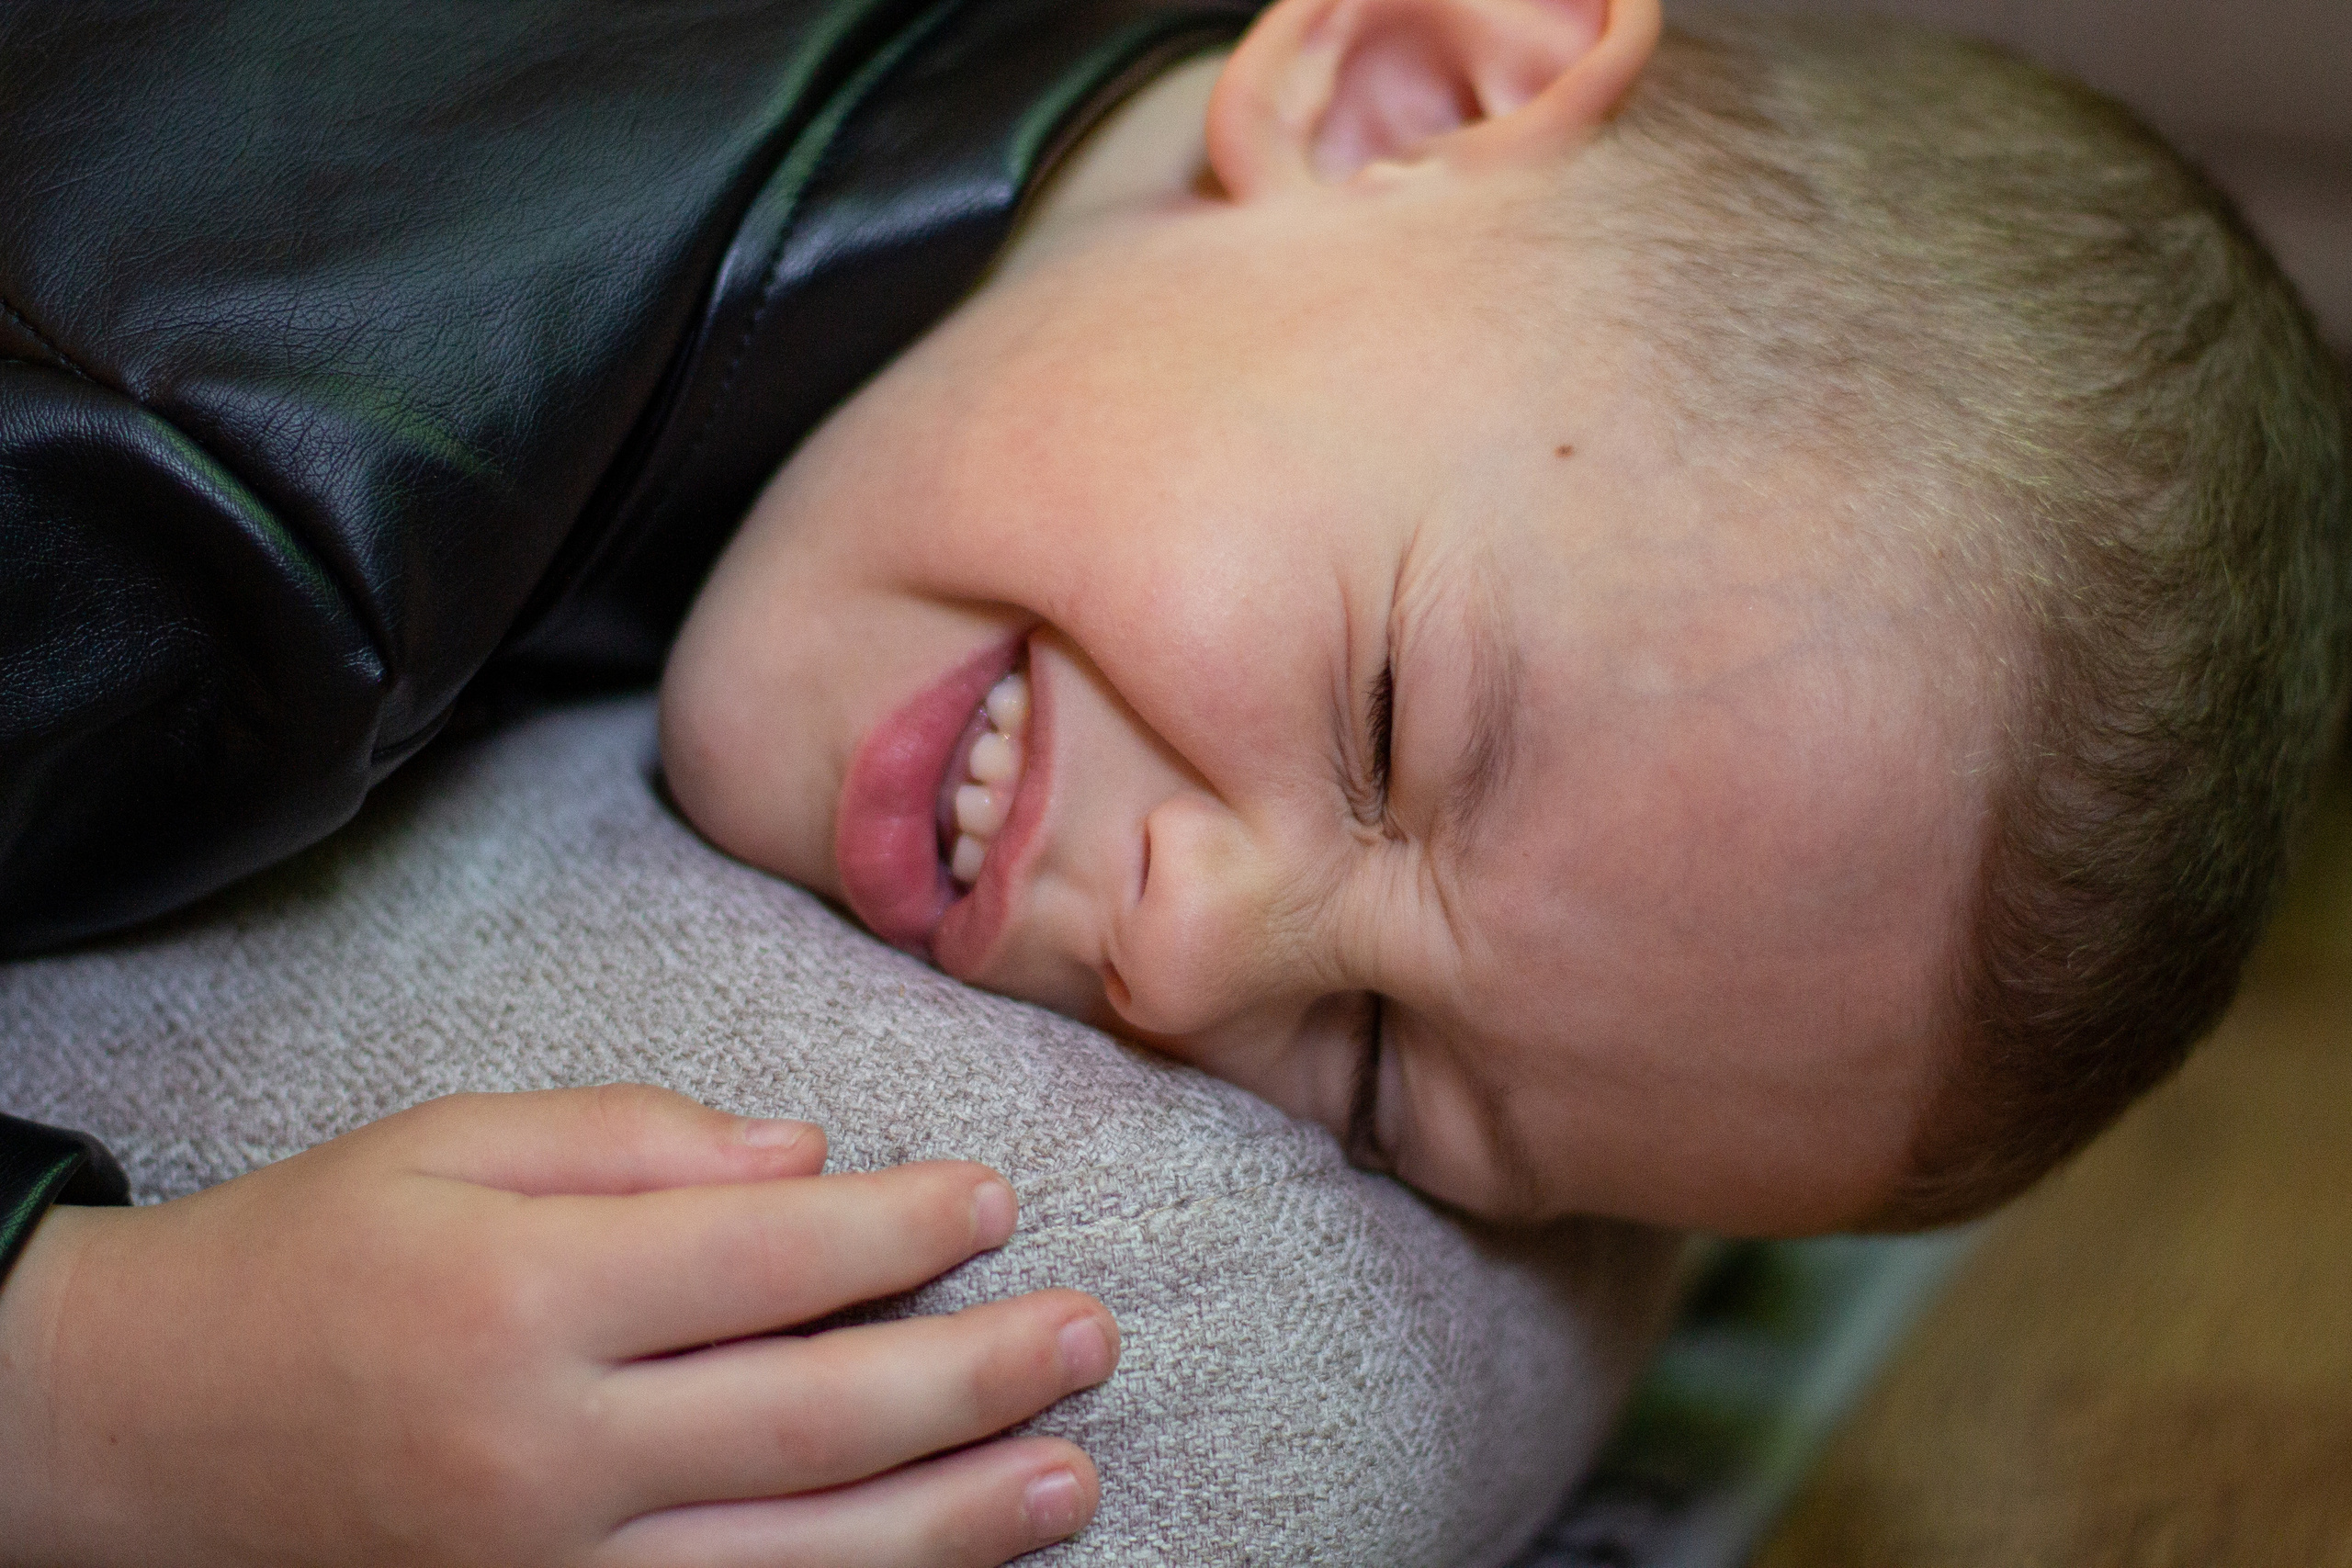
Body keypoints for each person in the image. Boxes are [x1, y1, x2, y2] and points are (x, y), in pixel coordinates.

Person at [2, 0, 2346, 1561]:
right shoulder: (222, 502)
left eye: (1374, 1077)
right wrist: (101, 1390)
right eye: (1390, 728)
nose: (1177, 947)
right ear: (1403, 93)